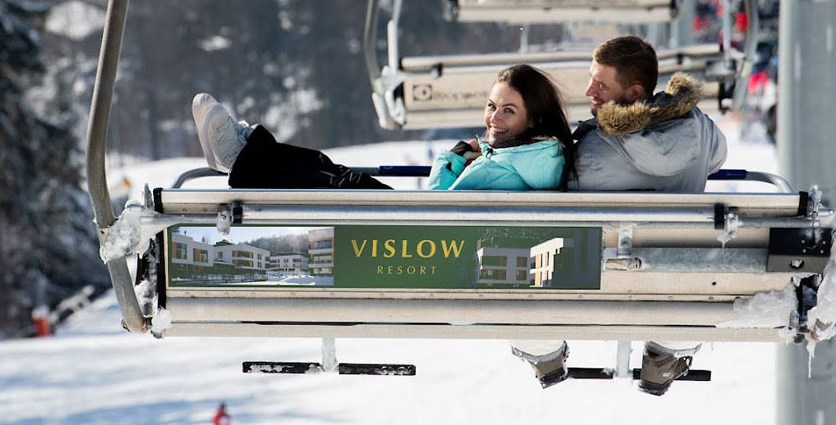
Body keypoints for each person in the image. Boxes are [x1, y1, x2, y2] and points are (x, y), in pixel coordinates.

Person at [511, 35, 728, 395]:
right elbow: (718, 157)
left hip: (588, 274)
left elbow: (565, 185)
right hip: (673, 279)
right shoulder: (699, 128)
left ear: (633, 92)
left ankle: (542, 350)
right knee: (687, 282)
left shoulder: (597, 151)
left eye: (600, 85)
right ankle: (667, 352)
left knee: (524, 259)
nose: (589, 92)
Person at [192, 64, 576, 193]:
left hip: (435, 244)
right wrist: (461, 158)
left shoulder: (534, 162)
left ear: (533, 119)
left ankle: (241, 155)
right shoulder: (520, 154)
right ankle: (243, 151)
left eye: (508, 110)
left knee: (338, 181)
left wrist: (454, 159)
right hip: (437, 235)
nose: (494, 118)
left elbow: (441, 200)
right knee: (331, 171)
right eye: (492, 106)